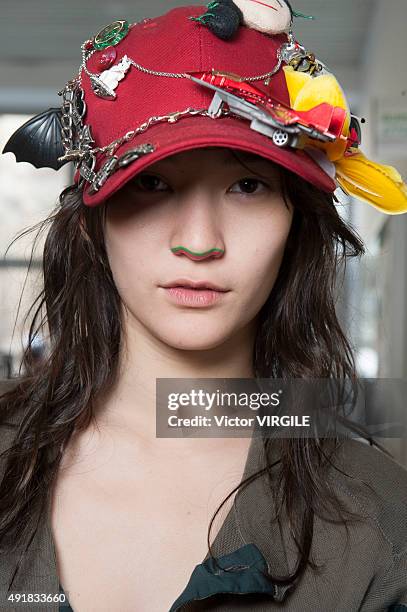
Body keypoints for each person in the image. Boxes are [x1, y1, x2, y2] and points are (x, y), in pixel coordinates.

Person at [0, 3, 407, 611]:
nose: (198, 240)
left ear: (297, 222)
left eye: (247, 185)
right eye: (151, 182)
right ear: (91, 223)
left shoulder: (378, 515)